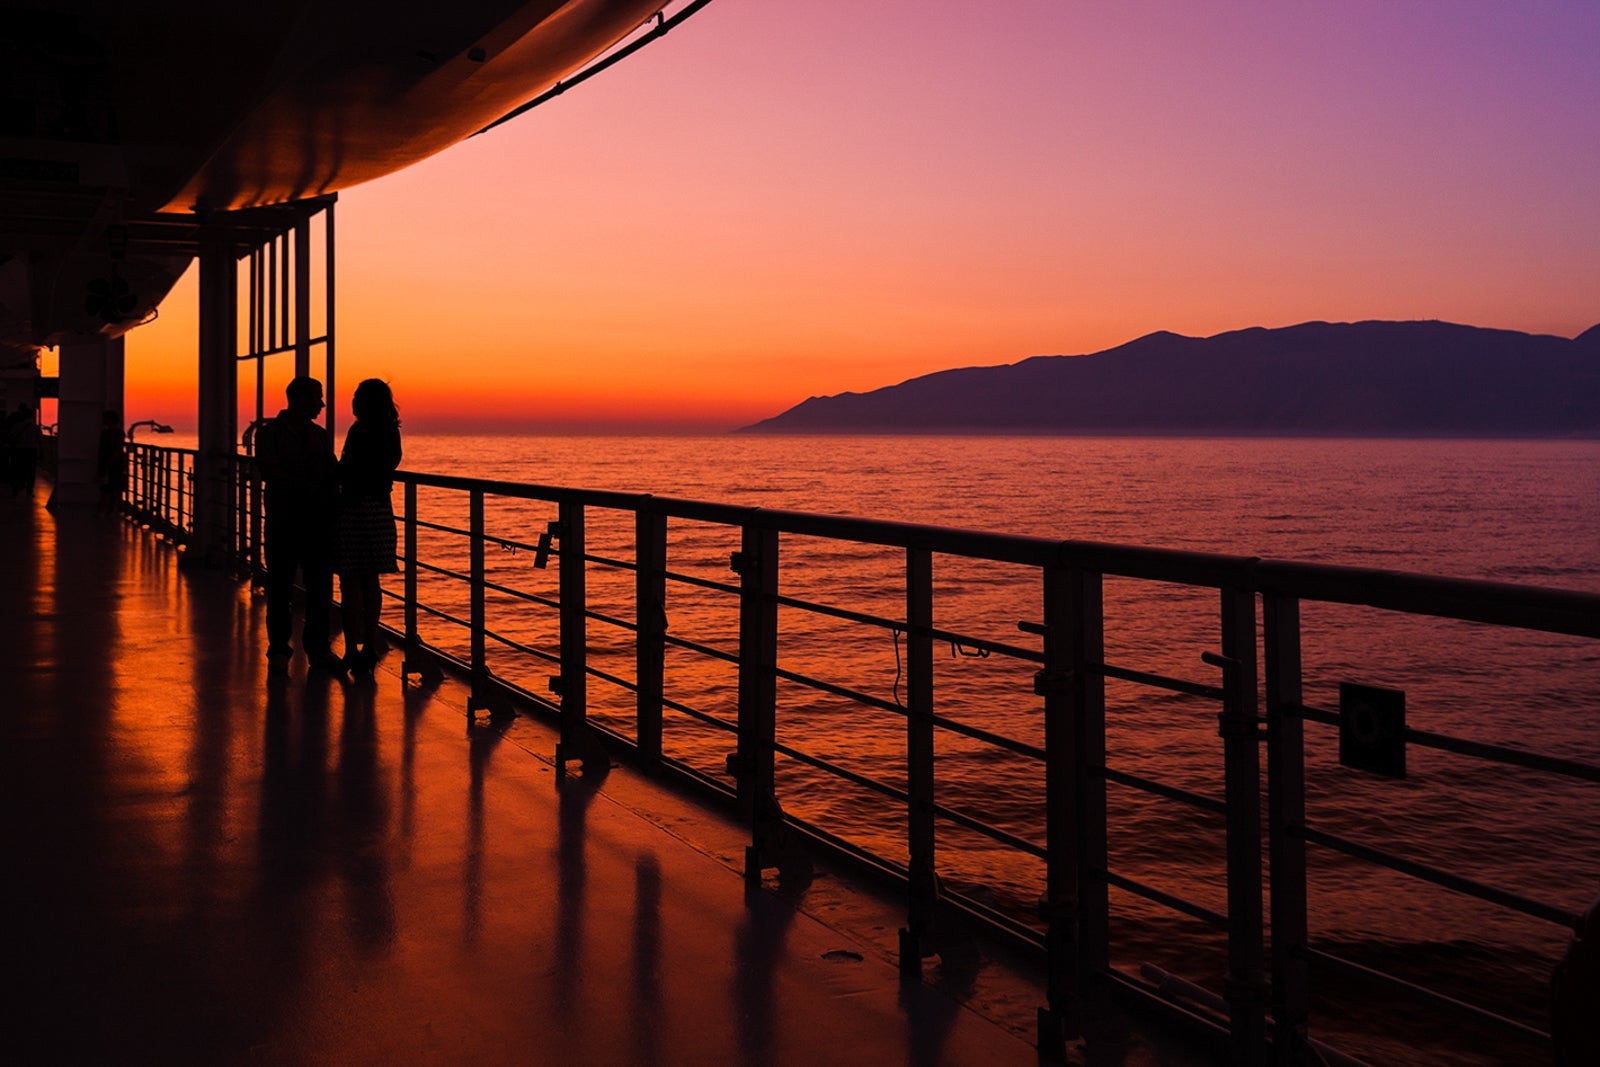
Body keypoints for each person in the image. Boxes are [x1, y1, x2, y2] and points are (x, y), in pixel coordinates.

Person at [254, 377, 342, 674]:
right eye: (317, 398)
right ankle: (283, 648)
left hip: (313, 522)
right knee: (281, 587)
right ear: (300, 399)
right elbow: (270, 472)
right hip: (285, 521)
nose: (322, 404)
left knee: (318, 588)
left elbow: (330, 471)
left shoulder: (316, 435)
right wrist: (314, 489)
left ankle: (314, 649)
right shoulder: (270, 434)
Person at [337, 379, 402, 673]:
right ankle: (369, 646)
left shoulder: (358, 431)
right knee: (371, 581)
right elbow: (389, 465)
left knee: (350, 582)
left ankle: (351, 648)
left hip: (353, 510)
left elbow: (347, 467)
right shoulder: (390, 432)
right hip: (379, 509)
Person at [97, 410, 123, 513]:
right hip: (109, 462)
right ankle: (108, 509)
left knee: (109, 487)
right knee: (109, 487)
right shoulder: (108, 433)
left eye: (105, 418)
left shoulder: (114, 433)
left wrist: (108, 462)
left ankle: (106, 509)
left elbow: (117, 449)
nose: (103, 420)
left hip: (112, 463)